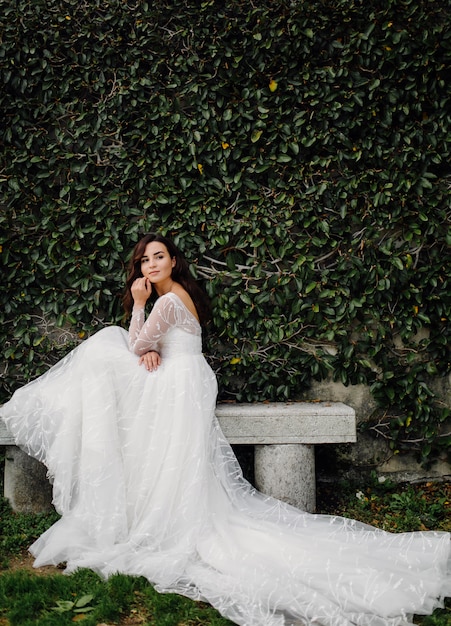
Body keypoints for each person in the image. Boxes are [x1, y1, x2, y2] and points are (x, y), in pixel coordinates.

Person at [1, 232, 450, 626]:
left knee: (105, 345)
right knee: (118, 367)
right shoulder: (178, 297)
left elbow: (136, 340)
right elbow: (147, 345)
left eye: (158, 257)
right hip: (185, 378)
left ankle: (46, 422)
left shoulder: (168, 300)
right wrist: (147, 350)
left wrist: (139, 311)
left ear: (173, 262)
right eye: (144, 260)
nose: (151, 265)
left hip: (179, 383)